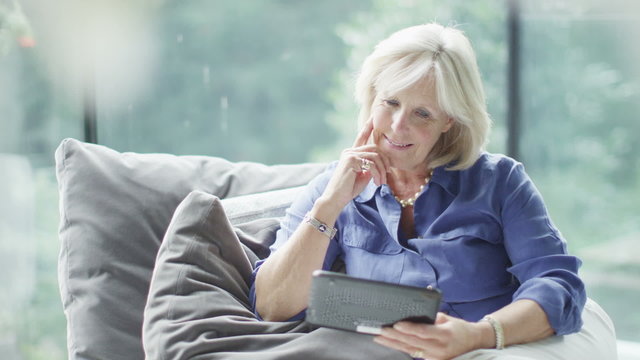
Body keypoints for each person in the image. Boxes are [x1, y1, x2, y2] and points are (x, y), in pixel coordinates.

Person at [250, 23, 587, 359]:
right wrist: (329, 206)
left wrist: (477, 335)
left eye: (422, 113)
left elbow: (558, 286)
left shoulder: (500, 181)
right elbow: (271, 306)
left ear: (449, 120)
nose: (398, 126)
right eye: (390, 102)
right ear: (371, 99)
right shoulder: (332, 187)